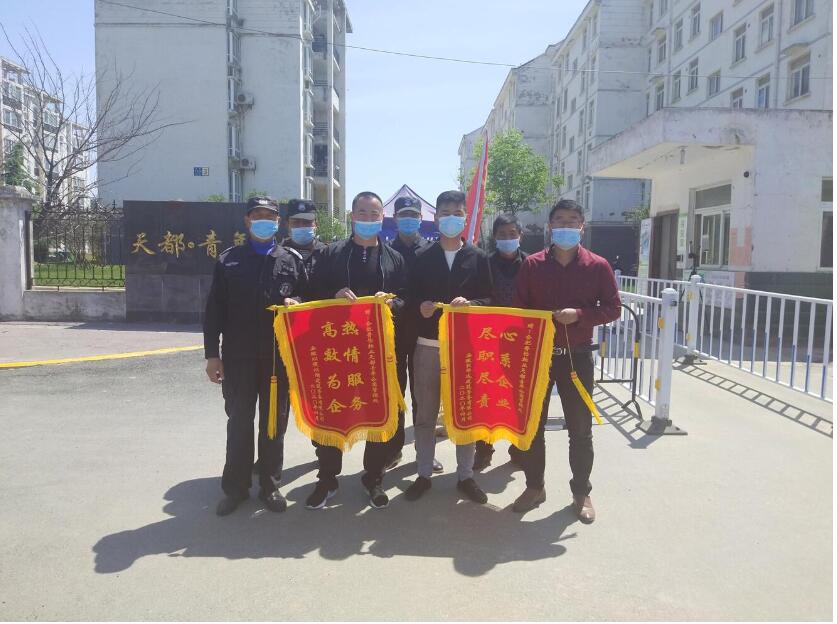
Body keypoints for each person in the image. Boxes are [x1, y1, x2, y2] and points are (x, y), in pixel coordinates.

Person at [512, 199, 621, 522]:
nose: (566, 226)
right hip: (538, 356)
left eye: (573, 221)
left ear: (582, 227)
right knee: (533, 427)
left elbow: (613, 308)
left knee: (580, 429)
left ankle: (581, 492)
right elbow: (519, 309)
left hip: (578, 357)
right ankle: (535, 487)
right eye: (560, 220)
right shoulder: (532, 265)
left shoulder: (598, 266)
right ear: (550, 226)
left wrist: (581, 315)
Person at [204, 196, 308, 516]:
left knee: (273, 423)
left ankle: (269, 485)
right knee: (239, 422)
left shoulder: (291, 260)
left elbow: (309, 300)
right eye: (258, 215)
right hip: (239, 357)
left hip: (278, 358)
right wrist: (212, 355)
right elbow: (214, 311)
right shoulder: (229, 261)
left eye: (270, 216)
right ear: (247, 221)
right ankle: (236, 488)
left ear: (278, 222)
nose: (264, 220)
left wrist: (297, 303)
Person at [304, 191, 408, 510]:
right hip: (337, 350)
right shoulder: (331, 254)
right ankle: (327, 478)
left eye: (374, 214)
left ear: (382, 218)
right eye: (362, 213)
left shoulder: (394, 258)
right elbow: (310, 293)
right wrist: (332, 296)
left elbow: (406, 299)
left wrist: (391, 303)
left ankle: (373, 477)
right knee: (332, 410)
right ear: (352, 216)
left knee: (379, 411)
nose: (368, 219)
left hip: (380, 352)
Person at [405, 190, 493, 504]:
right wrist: (420, 307)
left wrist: (472, 304)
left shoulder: (478, 257)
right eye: (445, 212)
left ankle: (465, 476)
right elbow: (407, 298)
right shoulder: (421, 257)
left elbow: (491, 299)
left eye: (457, 212)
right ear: (436, 217)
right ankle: (424, 474)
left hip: (464, 349)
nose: (451, 218)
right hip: (428, 345)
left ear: (465, 217)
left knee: (464, 413)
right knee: (426, 414)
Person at [386, 196, 442, 472]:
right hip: (394, 334)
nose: (408, 219)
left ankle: (425, 452)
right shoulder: (386, 251)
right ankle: (393, 449)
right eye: (403, 215)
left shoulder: (432, 251)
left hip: (424, 334)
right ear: (395, 218)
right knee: (395, 392)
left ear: (421, 218)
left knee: (424, 396)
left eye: (413, 215)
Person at [473, 213, 529, 472]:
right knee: (486, 396)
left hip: (521, 340)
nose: (507, 238)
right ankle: (484, 449)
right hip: (488, 339)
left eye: (512, 234)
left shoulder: (531, 264)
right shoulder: (483, 263)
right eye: (502, 235)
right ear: (494, 237)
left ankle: (518, 449)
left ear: (520, 236)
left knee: (518, 397)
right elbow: (478, 295)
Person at [281, 198, 327, 271]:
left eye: (307, 222)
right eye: (296, 222)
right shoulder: (277, 254)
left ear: (316, 224)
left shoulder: (327, 254)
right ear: (287, 224)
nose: (301, 226)